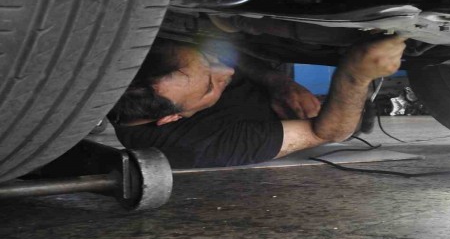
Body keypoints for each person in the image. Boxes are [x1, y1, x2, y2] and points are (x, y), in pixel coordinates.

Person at [108, 35, 407, 168]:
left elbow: (229, 54)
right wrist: (354, 76)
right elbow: (327, 133)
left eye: (208, 60)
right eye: (211, 85)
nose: (226, 72)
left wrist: (277, 82)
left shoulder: (164, 65)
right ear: (172, 118)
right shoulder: (200, 144)